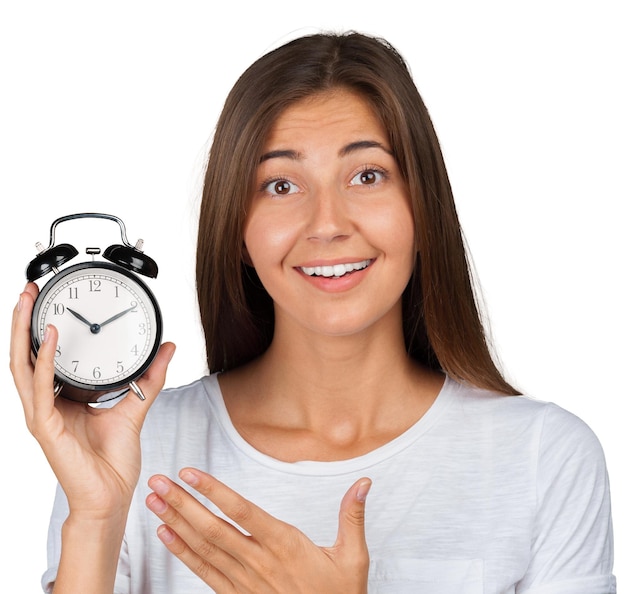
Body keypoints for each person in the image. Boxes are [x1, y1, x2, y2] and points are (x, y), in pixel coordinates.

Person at [10, 31, 615, 594]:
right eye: (281, 185)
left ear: (422, 208)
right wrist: (95, 515)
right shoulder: (136, 447)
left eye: (368, 174)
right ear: (237, 229)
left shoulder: (544, 457)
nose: (328, 224)